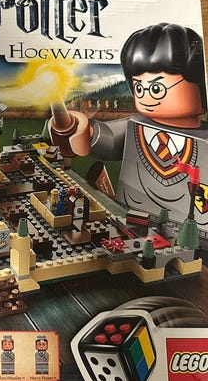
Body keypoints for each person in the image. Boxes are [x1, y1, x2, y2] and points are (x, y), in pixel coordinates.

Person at [49, 23, 208, 236]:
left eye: (157, 88)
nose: (146, 96)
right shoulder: (134, 127)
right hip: (128, 222)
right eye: (139, 87)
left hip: (195, 236)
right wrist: (78, 129)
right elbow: (104, 138)